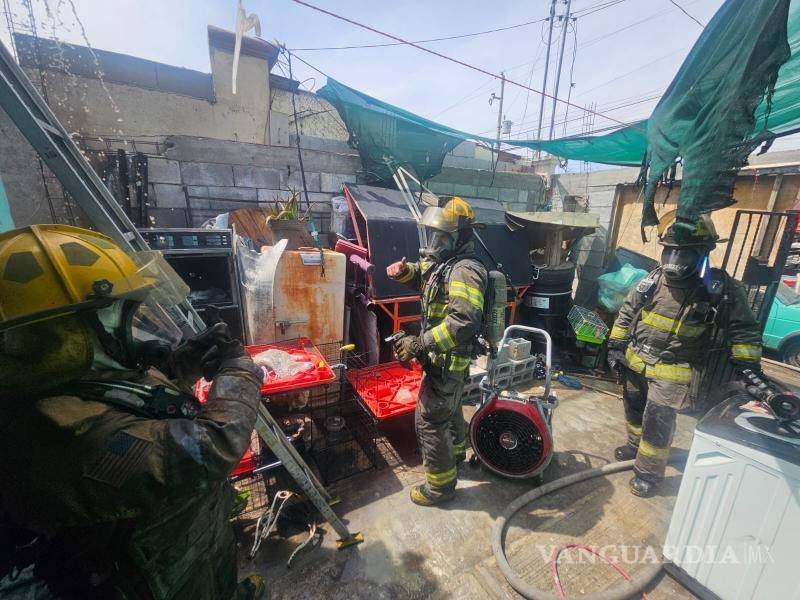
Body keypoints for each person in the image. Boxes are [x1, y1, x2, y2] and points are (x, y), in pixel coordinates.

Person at [0, 225, 264, 599]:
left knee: (216, 572)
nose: (135, 329)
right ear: (58, 335)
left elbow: (135, 396)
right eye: (120, 316)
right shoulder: (58, 430)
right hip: (154, 575)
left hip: (187, 539)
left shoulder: (73, 382)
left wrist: (187, 359)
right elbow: (209, 450)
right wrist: (239, 373)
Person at [607, 212, 762, 497]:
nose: (674, 260)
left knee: (658, 420)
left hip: (673, 368)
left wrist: (747, 364)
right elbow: (628, 311)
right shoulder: (653, 278)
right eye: (670, 251)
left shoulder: (719, 288)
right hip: (636, 360)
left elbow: (744, 329)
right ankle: (634, 446)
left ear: (703, 252)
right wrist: (615, 346)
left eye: (683, 253)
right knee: (633, 407)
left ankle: (648, 474)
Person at [386, 197, 487, 506]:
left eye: (442, 237)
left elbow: (464, 321)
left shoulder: (465, 271)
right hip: (442, 360)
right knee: (449, 409)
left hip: (448, 361)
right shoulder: (446, 264)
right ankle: (455, 454)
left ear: (460, 237)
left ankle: (440, 488)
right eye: (434, 235)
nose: (435, 243)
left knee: (430, 420)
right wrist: (404, 272)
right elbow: (426, 278)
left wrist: (420, 343)